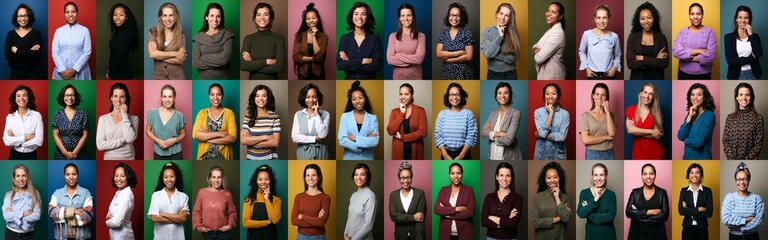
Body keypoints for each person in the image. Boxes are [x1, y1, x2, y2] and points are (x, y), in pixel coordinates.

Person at [337, 1, 382, 80]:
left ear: (367, 17)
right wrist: (363, 61)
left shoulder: (375, 39)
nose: (360, 17)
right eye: (356, 14)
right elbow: (340, 65)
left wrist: (349, 62)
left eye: (363, 14)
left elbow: (377, 66)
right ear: (352, 16)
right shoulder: (345, 38)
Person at [48, 163, 94, 240]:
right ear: (64, 176)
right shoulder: (57, 193)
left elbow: (88, 215)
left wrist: (61, 214)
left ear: (78, 175)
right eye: (68, 174)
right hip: (61, 237)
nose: (71, 177)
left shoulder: (86, 193)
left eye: (74, 174)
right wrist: (74, 211)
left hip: (81, 237)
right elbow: (51, 212)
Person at [672, 3, 717, 80]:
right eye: (692, 14)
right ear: (689, 15)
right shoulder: (682, 33)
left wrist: (685, 55)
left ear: (702, 15)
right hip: (683, 74)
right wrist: (699, 51)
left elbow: (712, 55)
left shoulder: (710, 32)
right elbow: (675, 52)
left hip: (704, 75)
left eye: (698, 14)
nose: (695, 17)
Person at [241, 2, 285, 80]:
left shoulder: (279, 38)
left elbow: (279, 67)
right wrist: (267, 61)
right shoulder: (248, 39)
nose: (262, 18)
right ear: (254, 18)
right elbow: (243, 66)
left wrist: (252, 65)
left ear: (271, 18)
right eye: (258, 15)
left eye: (266, 14)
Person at [192, 83, 237, 160]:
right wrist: (221, 134)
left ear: (222, 95)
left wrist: (206, 138)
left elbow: (232, 138)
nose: (215, 97)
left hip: (224, 158)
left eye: (218, 94)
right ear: (209, 96)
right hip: (204, 158)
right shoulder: (201, 113)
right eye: (212, 94)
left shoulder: (229, 113)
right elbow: (195, 135)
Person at [626, 2, 669, 80]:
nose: (646, 21)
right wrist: (655, 60)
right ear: (638, 20)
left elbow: (664, 63)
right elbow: (630, 64)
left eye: (649, 17)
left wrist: (642, 58)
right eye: (642, 18)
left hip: (657, 79)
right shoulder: (633, 37)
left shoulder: (661, 38)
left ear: (654, 18)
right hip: (637, 79)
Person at [722, 162, 764, 239]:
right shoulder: (729, 198)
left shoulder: (757, 198)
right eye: (739, 179)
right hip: (734, 237)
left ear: (749, 180)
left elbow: (759, 221)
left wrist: (740, 228)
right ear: (735, 180)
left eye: (745, 179)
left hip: (753, 237)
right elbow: (725, 219)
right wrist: (746, 220)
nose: (742, 182)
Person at [96, 83, 139, 160]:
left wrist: (125, 116)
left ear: (126, 99)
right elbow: (100, 145)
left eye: (122, 97)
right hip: (109, 159)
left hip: (128, 159)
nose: (118, 100)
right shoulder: (103, 119)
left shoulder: (134, 119)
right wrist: (123, 139)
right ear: (111, 98)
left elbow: (129, 139)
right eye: (115, 96)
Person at [626, 163, 669, 240]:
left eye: (651, 174)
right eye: (645, 174)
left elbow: (665, 215)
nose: (648, 177)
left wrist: (640, 216)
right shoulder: (635, 192)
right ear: (642, 176)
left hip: (657, 235)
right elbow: (628, 212)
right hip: (637, 235)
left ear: (655, 175)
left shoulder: (662, 193)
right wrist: (649, 212)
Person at [435, 82, 477, 160]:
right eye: (451, 94)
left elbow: (471, 136)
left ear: (461, 96)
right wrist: (445, 155)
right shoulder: (442, 114)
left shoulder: (468, 114)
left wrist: (461, 156)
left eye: (457, 94)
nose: (454, 97)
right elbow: (438, 136)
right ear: (448, 96)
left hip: (464, 153)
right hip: (445, 153)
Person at [481, 162, 523, 240]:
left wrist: (493, 218)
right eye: (501, 175)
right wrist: (506, 221)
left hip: (510, 238)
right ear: (497, 177)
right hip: (491, 238)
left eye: (508, 175)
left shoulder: (518, 198)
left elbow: (513, 223)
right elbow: (483, 221)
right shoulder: (489, 197)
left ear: (512, 177)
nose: (504, 179)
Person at [192, 3, 234, 80]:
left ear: (221, 18)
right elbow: (195, 63)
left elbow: (225, 59)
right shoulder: (198, 37)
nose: (215, 19)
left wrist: (203, 57)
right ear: (206, 17)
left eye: (218, 16)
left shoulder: (227, 35)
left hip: (223, 79)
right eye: (212, 15)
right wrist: (217, 59)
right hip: (204, 80)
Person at [192, 166, 237, 240]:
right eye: (213, 177)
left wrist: (229, 225)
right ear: (209, 178)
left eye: (219, 177)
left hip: (223, 234)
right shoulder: (202, 192)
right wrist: (199, 227)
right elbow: (196, 212)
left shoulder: (227, 194)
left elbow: (232, 212)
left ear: (222, 179)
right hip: (207, 233)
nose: (216, 180)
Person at [338, 80, 379, 160]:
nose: (357, 101)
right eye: (354, 99)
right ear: (351, 101)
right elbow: (342, 140)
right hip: (349, 158)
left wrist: (355, 138)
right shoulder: (345, 117)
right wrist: (365, 142)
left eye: (360, 98)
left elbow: (375, 141)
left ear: (365, 99)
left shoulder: (373, 118)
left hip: (368, 158)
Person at [147, 162, 189, 240]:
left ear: (176, 177)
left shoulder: (183, 197)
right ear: (162, 179)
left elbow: (184, 218)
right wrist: (177, 217)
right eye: (165, 177)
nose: (169, 180)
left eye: (172, 176)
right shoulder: (156, 195)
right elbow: (154, 218)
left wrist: (163, 214)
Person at [723, 83, 764, 160]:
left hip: (751, 160)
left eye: (747, 95)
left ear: (751, 97)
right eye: (741, 94)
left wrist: (746, 160)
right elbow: (725, 140)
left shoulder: (758, 118)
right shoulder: (730, 118)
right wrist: (733, 159)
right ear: (737, 97)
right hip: (731, 160)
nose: (744, 98)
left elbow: (758, 144)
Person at [578, 5, 621, 80]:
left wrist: (614, 68)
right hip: (592, 75)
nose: (601, 21)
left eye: (604, 17)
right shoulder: (587, 34)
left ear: (609, 19)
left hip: (609, 75)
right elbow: (581, 51)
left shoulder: (614, 36)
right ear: (595, 19)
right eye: (598, 18)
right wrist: (586, 68)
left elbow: (617, 55)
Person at [481, 82, 522, 160]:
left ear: (510, 95)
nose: (502, 96)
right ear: (496, 96)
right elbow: (483, 132)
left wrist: (491, 135)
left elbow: (509, 140)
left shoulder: (516, 113)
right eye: (499, 93)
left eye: (506, 93)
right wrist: (499, 133)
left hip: (508, 156)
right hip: (492, 154)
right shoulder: (493, 113)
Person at [387, 83, 428, 160]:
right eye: (401, 94)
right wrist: (402, 113)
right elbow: (390, 131)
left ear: (412, 95)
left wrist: (402, 137)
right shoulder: (394, 112)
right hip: (398, 151)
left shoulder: (420, 111)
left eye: (406, 94)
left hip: (416, 151)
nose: (403, 97)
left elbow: (423, 132)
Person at [531, 161, 572, 239]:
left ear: (560, 178)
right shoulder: (537, 197)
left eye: (555, 177)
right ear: (545, 179)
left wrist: (557, 198)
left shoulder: (566, 198)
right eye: (549, 178)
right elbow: (535, 223)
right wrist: (558, 218)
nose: (552, 180)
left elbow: (566, 218)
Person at [52, 2, 92, 80]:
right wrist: (63, 71)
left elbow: (87, 52)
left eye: (73, 12)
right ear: (64, 14)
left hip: (81, 72)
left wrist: (73, 70)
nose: (70, 15)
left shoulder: (84, 30)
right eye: (67, 12)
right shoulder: (58, 31)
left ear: (77, 13)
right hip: (61, 73)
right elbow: (54, 52)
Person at [434, 163, 475, 240]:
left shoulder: (469, 190)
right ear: (449, 174)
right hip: (446, 234)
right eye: (452, 173)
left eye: (458, 173)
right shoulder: (443, 190)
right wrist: (456, 209)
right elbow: (436, 209)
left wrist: (448, 215)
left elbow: (470, 212)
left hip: (464, 234)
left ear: (462, 174)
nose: (456, 176)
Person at [481, 3, 521, 80]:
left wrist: (496, 56)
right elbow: (488, 54)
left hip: (511, 73)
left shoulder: (513, 33)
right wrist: (500, 36)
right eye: (501, 13)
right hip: (493, 73)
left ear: (510, 19)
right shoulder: (487, 31)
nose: (503, 17)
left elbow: (513, 58)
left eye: (507, 15)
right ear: (497, 14)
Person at [577, 163, 616, 240]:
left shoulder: (611, 194)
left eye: (601, 175)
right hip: (591, 235)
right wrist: (595, 199)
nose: (598, 178)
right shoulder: (584, 193)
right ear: (592, 176)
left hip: (608, 235)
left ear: (606, 176)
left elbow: (611, 217)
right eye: (595, 175)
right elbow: (580, 213)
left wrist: (590, 215)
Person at [291, 164, 331, 240]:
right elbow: (294, 220)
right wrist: (316, 220)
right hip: (301, 237)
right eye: (308, 175)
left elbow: (321, 222)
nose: (310, 178)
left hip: (318, 237)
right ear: (305, 178)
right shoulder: (298, 197)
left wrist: (302, 217)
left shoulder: (325, 198)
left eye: (313, 175)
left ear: (319, 177)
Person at [146, 84, 186, 160]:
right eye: (165, 96)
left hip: (176, 154)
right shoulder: (152, 113)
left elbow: (184, 134)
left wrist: (175, 140)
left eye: (170, 96)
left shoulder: (179, 115)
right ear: (161, 98)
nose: (167, 100)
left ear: (174, 98)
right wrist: (158, 141)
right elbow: (147, 130)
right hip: (158, 153)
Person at [3, 85, 43, 160]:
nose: (21, 98)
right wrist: (28, 137)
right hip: (14, 155)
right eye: (18, 96)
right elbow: (7, 141)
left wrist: (15, 140)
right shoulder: (10, 117)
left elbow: (39, 141)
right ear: (15, 98)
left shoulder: (37, 116)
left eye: (24, 95)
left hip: (31, 155)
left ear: (29, 98)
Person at [387, 3, 426, 80]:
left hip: (416, 77)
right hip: (398, 77)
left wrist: (398, 55)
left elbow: (419, 59)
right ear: (399, 18)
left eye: (409, 15)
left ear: (413, 17)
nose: (406, 18)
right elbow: (390, 60)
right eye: (403, 15)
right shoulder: (392, 36)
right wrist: (412, 59)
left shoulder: (421, 36)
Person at [241, 84, 281, 160]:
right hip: (251, 160)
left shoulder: (275, 116)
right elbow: (243, 140)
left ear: (268, 98)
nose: (260, 99)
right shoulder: (248, 117)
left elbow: (275, 143)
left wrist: (251, 139)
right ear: (253, 98)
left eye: (264, 96)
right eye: (257, 96)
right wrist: (265, 137)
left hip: (271, 159)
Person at [677, 83, 716, 160]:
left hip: (702, 159)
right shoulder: (690, 114)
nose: (695, 97)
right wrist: (690, 116)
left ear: (704, 98)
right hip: (686, 158)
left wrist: (685, 140)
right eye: (692, 94)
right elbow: (680, 136)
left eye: (699, 94)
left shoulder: (709, 116)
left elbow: (697, 142)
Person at [625, 82, 664, 160]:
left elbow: (657, 135)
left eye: (650, 94)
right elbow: (630, 130)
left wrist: (636, 131)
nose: (647, 96)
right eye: (645, 92)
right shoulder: (631, 109)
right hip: (637, 151)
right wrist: (651, 131)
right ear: (640, 93)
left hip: (655, 151)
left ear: (653, 97)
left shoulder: (657, 114)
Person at [2, 164, 41, 240]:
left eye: (23, 175)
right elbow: (6, 216)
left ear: (27, 177)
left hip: (28, 236)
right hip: (10, 235)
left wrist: (14, 214)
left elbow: (37, 215)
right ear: (14, 178)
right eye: (18, 176)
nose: (21, 179)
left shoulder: (35, 194)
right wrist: (24, 213)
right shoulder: (9, 195)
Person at [148, 2, 186, 80]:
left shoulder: (181, 35)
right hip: (158, 78)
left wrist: (158, 55)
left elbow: (180, 60)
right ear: (160, 18)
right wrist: (175, 54)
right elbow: (152, 54)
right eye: (165, 15)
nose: (168, 19)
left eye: (171, 15)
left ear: (175, 18)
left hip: (178, 78)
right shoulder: (153, 32)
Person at [291, 83, 330, 160]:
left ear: (318, 98)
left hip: (320, 151)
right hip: (303, 152)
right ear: (304, 98)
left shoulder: (326, 114)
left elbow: (322, 135)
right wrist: (315, 138)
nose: (311, 100)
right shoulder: (298, 114)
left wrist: (317, 115)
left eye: (314, 97)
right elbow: (295, 137)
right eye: (307, 97)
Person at [388, 161, 426, 240]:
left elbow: (420, 219)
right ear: (399, 178)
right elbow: (394, 216)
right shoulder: (393, 195)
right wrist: (413, 217)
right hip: (400, 236)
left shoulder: (419, 194)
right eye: (402, 178)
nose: (405, 181)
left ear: (412, 177)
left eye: (408, 177)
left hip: (416, 236)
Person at [436, 3, 474, 80]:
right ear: (448, 16)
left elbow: (469, 57)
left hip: (464, 74)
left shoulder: (467, 33)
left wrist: (450, 60)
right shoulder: (443, 34)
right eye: (452, 15)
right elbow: (439, 54)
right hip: (447, 73)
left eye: (457, 15)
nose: (454, 18)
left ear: (461, 17)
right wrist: (457, 53)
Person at [4, 4, 43, 79]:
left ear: (29, 17)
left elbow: (36, 55)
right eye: (20, 16)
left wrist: (17, 51)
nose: (23, 18)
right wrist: (29, 52)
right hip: (16, 74)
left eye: (25, 15)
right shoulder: (11, 34)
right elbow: (8, 56)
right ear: (16, 17)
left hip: (33, 74)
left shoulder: (36, 33)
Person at [724, 5, 763, 80]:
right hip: (736, 75)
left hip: (754, 73)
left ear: (749, 19)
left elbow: (759, 53)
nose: (743, 20)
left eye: (746, 18)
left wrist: (751, 35)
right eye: (740, 17)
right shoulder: (728, 37)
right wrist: (752, 57)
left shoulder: (755, 36)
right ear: (736, 19)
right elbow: (731, 61)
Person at [243, 165, 282, 240]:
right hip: (253, 237)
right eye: (260, 179)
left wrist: (267, 199)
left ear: (270, 180)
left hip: (271, 236)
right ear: (256, 181)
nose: (263, 182)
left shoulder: (276, 200)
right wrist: (266, 222)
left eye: (266, 179)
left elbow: (275, 220)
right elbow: (245, 222)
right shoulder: (249, 199)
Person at [579, 83, 616, 160]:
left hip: (609, 153)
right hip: (592, 153)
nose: (600, 97)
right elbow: (585, 140)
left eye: (603, 95)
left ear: (606, 97)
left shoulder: (612, 115)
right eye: (597, 94)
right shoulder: (586, 116)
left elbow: (612, 133)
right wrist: (606, 137)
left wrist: (608, 112)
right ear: (593, 96)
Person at [292, 3, 329, 80]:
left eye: (313, 18)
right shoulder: (299, 35)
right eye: (308, 19)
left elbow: (319, 57)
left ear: (318, 19)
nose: (311, 21)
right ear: (305, 21)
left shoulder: (324, 36)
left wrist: (314, 36)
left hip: (319, 74)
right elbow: (295, 57)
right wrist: (313, 58)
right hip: (303, 74)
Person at [52, 84, 88, 160]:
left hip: (79, 154)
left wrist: (75, 152)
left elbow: (85, 135)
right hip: (61, 154)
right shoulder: (57, 114)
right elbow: (55, 135)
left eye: (72, 95)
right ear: (63, 97)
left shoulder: (83, 114)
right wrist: (65, 152)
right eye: (67, 95)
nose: (69, 98)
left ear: (75, 97)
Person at [678, 163, 713, 240]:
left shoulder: (707, 191)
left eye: (697, 173)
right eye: (692, 173)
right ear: (688, 175)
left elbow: (709, 212)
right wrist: (698, 209)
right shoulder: (684, 191)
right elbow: (681, 211)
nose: (694, 175)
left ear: (701, 175)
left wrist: (688, 210)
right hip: (687, 228)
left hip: (702, 229)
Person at [533, 83, 569, 160]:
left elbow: (562, 136)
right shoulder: (538, 112)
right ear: (544, 96)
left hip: (558, 153)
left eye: (554, 93)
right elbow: (542, 133)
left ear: (558, 96)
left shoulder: (565, 114)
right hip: (541, 152)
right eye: (547, 94)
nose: (550, 96)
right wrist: (551, 113)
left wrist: (540, 134)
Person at [533, 2, 566, 80]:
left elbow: (539, 59)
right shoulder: (550, 30)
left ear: (560, 16)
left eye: (553, 12)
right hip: (545, 74)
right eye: (548, 11)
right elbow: (535, 46)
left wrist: (537, 51)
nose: (549, 14)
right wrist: (536, 49)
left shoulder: (557, 33)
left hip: (552, 76)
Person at [344, 163, 376, 240]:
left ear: (367, 177)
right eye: (356, 174)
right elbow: (350, 217)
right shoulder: (353, 195)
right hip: (349, 238)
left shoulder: (370, 196)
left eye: (362, 174)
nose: (358, 177)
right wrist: (345, 233)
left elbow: (368, 226)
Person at [106, 3, 138, 80]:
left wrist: (109, 73)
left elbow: (118, 57)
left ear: (126, 17)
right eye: (115, 15)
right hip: (117, 71)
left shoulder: (125, 33)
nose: (117, 18)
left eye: (121, 15)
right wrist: (109, 68)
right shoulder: (119, 31)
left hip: (121, 74)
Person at [106, 162, 137, 239]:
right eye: (116, 175)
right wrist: (112, 218)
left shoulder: (127, 195)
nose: (118, 179)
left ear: (128, 177)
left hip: (123, 236)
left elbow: (116, 222)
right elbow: (109, 214)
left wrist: (107, 221)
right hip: (114, 235)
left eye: (122, 176)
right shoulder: (119, 192)